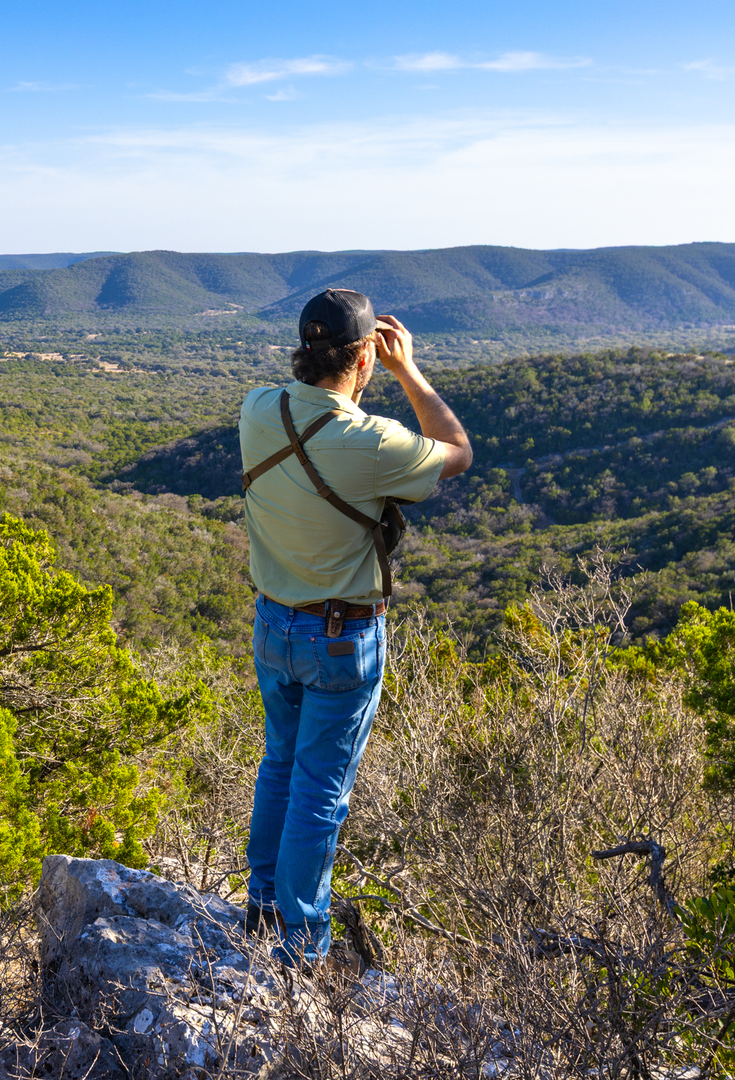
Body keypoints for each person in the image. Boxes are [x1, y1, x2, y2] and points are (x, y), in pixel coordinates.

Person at [238, 288, 472, 968]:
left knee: (279, 765)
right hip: (341, 638)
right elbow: (454, 450)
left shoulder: (256, 408)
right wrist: (408, 373)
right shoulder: (372, 442)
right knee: (319, 792)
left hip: (273, 624)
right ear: (365, 355)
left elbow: (316, 422)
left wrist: (364, 372)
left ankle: (260, 906)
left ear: (301, 350)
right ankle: (299, 948)